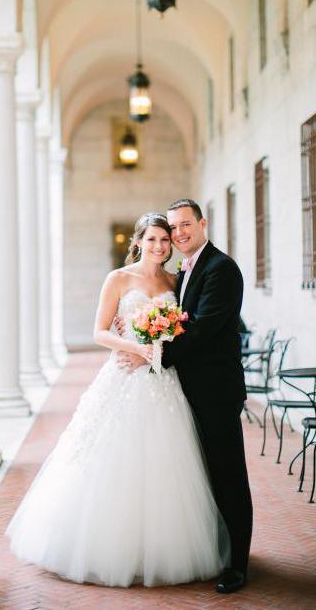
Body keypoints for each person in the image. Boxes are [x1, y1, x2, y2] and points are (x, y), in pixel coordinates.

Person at [6, 212, 230, 588]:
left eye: (165, 240)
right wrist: (134, 346)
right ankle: (103, 547)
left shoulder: (177, 280)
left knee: (166, 462)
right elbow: (98, 331)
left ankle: (162, 549)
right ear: (138, 241)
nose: (159, 246)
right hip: (125, 373)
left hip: (163, 379)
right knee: (109, 457)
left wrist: (158, 349)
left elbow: (187, 331)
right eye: (153, 239)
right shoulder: (118, 279)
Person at [117, 199, 253, 594]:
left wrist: (151, 355)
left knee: (228, 475)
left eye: (183, 225)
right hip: (183, 388)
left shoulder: (221, 269)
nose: (178, 234)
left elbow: (205, 329)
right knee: (202, 474)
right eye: (172, 228)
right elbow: (177, 323)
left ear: (202, 223)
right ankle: (217, 548)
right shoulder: (183, 271)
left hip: (215, 390)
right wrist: (133, 334)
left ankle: (237, 565)